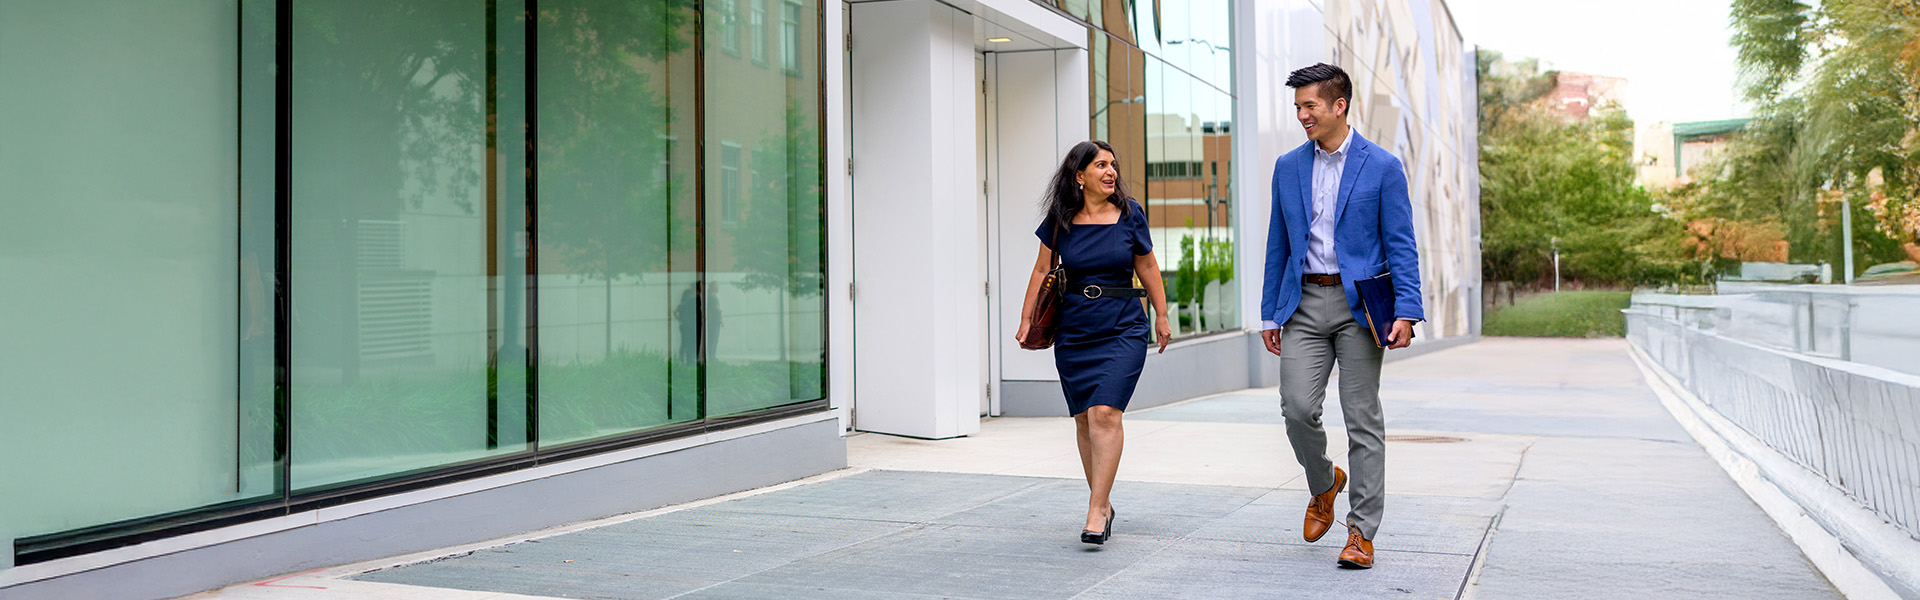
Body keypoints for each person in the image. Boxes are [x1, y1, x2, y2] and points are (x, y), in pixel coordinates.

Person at [1259, 63, 1423, 569]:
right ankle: (1324, 482)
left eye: (1310, 106)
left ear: (1339, 106)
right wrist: (1270, 311)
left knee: (1362, 419)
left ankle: (1360, 533)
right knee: (1297, 408)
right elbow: (1277, 244)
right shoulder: (1288, 167)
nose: (1303, 115)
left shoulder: (1383, 166)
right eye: (1298, 108)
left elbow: (1401, 244)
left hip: (1360, 309)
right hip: (1303, 304)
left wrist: (1408, 310)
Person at [1015, 140, 1172, 545]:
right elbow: (1040, 271)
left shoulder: (1130, 214)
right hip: (1075, 329)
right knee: (1085, 419)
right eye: (1100, 164)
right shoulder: (1061, 218)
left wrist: (1163, 314)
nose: (1110, 171)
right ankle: (1101, 501)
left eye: (1113, 164)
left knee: (1105, 413)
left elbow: (1148, 265)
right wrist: (1026, 318)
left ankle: (1095, 508)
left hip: (1123, 327)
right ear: (1079, 175)